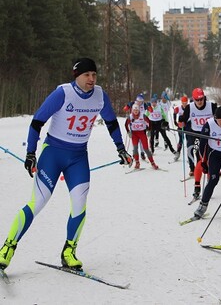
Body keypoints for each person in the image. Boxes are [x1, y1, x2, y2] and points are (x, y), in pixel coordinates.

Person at [0, 58, 132, 271]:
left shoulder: (100, 96)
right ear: (76, 76)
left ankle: (69, 251)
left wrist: (121, 148)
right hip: (53, 154)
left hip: (78, 157)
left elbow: (111, 122)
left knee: (80, 204)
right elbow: (37, 121)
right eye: (87, 75)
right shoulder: (63, 93)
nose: (91, 79)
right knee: (38, 203)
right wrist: (31, 153)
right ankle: (8, 247)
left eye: (94, 75)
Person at [177, 88, 217, 198]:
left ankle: (210, 184)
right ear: (193, 99)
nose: (199, 102)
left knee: (210, 159)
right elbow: (182, 122)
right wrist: (181, 121)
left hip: (209, 135)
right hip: (197, 135)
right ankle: (197, 185)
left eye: (201, 99)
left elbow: (219, 119)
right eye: (197, 100)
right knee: (199, 158)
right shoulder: (190, 107)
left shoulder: (212, 106)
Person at [125, 104, 159, 170]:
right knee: (135, 149)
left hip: (142, 133)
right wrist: (128, 132)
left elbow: (149, 122)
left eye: (137, 110)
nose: (136, 111)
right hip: (134, 134)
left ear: (139, 110)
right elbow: (126, 125)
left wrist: (149, 130)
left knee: (146, 149)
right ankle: (137, 163)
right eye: (134, 110)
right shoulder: (130, 117)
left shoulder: (143, 116)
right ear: (132, 110)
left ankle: (153, 163)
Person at [123, 94, 149, 160]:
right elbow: (125, 109)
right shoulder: (132, 103)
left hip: (142, 124)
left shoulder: (144, 105)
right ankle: (135, 153)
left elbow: (151, 110)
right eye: (138, 101)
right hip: (134, 124)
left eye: (141, 101)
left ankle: (142, 153)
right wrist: (127, 107)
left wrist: (149, 106)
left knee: (141, 140)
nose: (139, 103)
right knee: (134, 140)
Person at [172, 95, 189, 162]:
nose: (184, 104)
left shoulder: (189, 108)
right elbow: (174, 113)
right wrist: (175, 121)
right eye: (183, 102)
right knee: (181, 140)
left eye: (185, 102)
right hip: (180, 125)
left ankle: (189, 155)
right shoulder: (179, 108)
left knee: (188, 140)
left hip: (187, 125)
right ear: (181, 102)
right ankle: (178, 153)